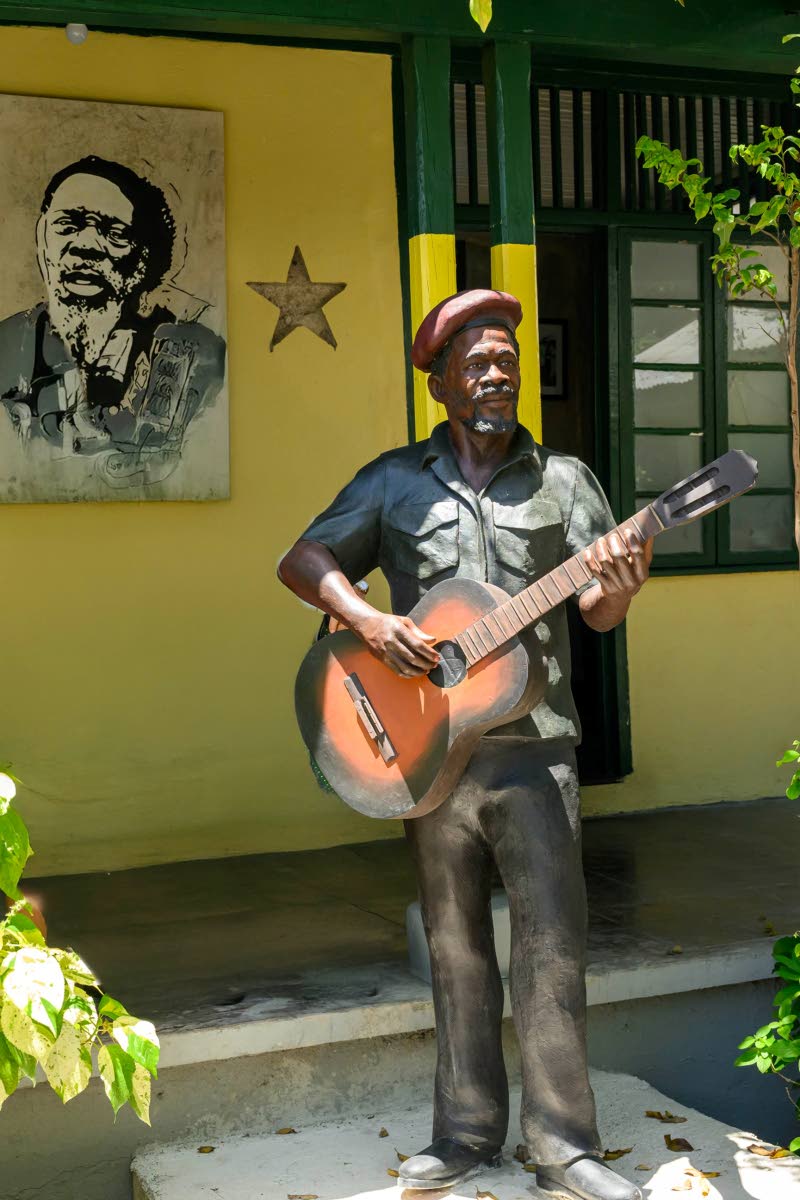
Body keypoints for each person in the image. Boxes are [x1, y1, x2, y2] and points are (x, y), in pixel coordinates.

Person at [279, 289, 653, 1200]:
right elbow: (305, 562)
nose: (495, 375)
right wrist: (371, 622)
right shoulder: (392, 482)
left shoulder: (564, 481)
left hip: (536, 749)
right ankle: (466, 1134)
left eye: (507, 362)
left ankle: (565, 1146)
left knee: (552, 950)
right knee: (454, 948)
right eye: (476, 363)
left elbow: (597, 613)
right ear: (441, 382)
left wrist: (624, 587)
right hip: (427, 751)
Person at [0, 155, 225, 486]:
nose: (86, 246)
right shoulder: (9, 342)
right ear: (42, 240)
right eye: (68, 225)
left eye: (114, 232)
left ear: (142, 261)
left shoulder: (200, 357)